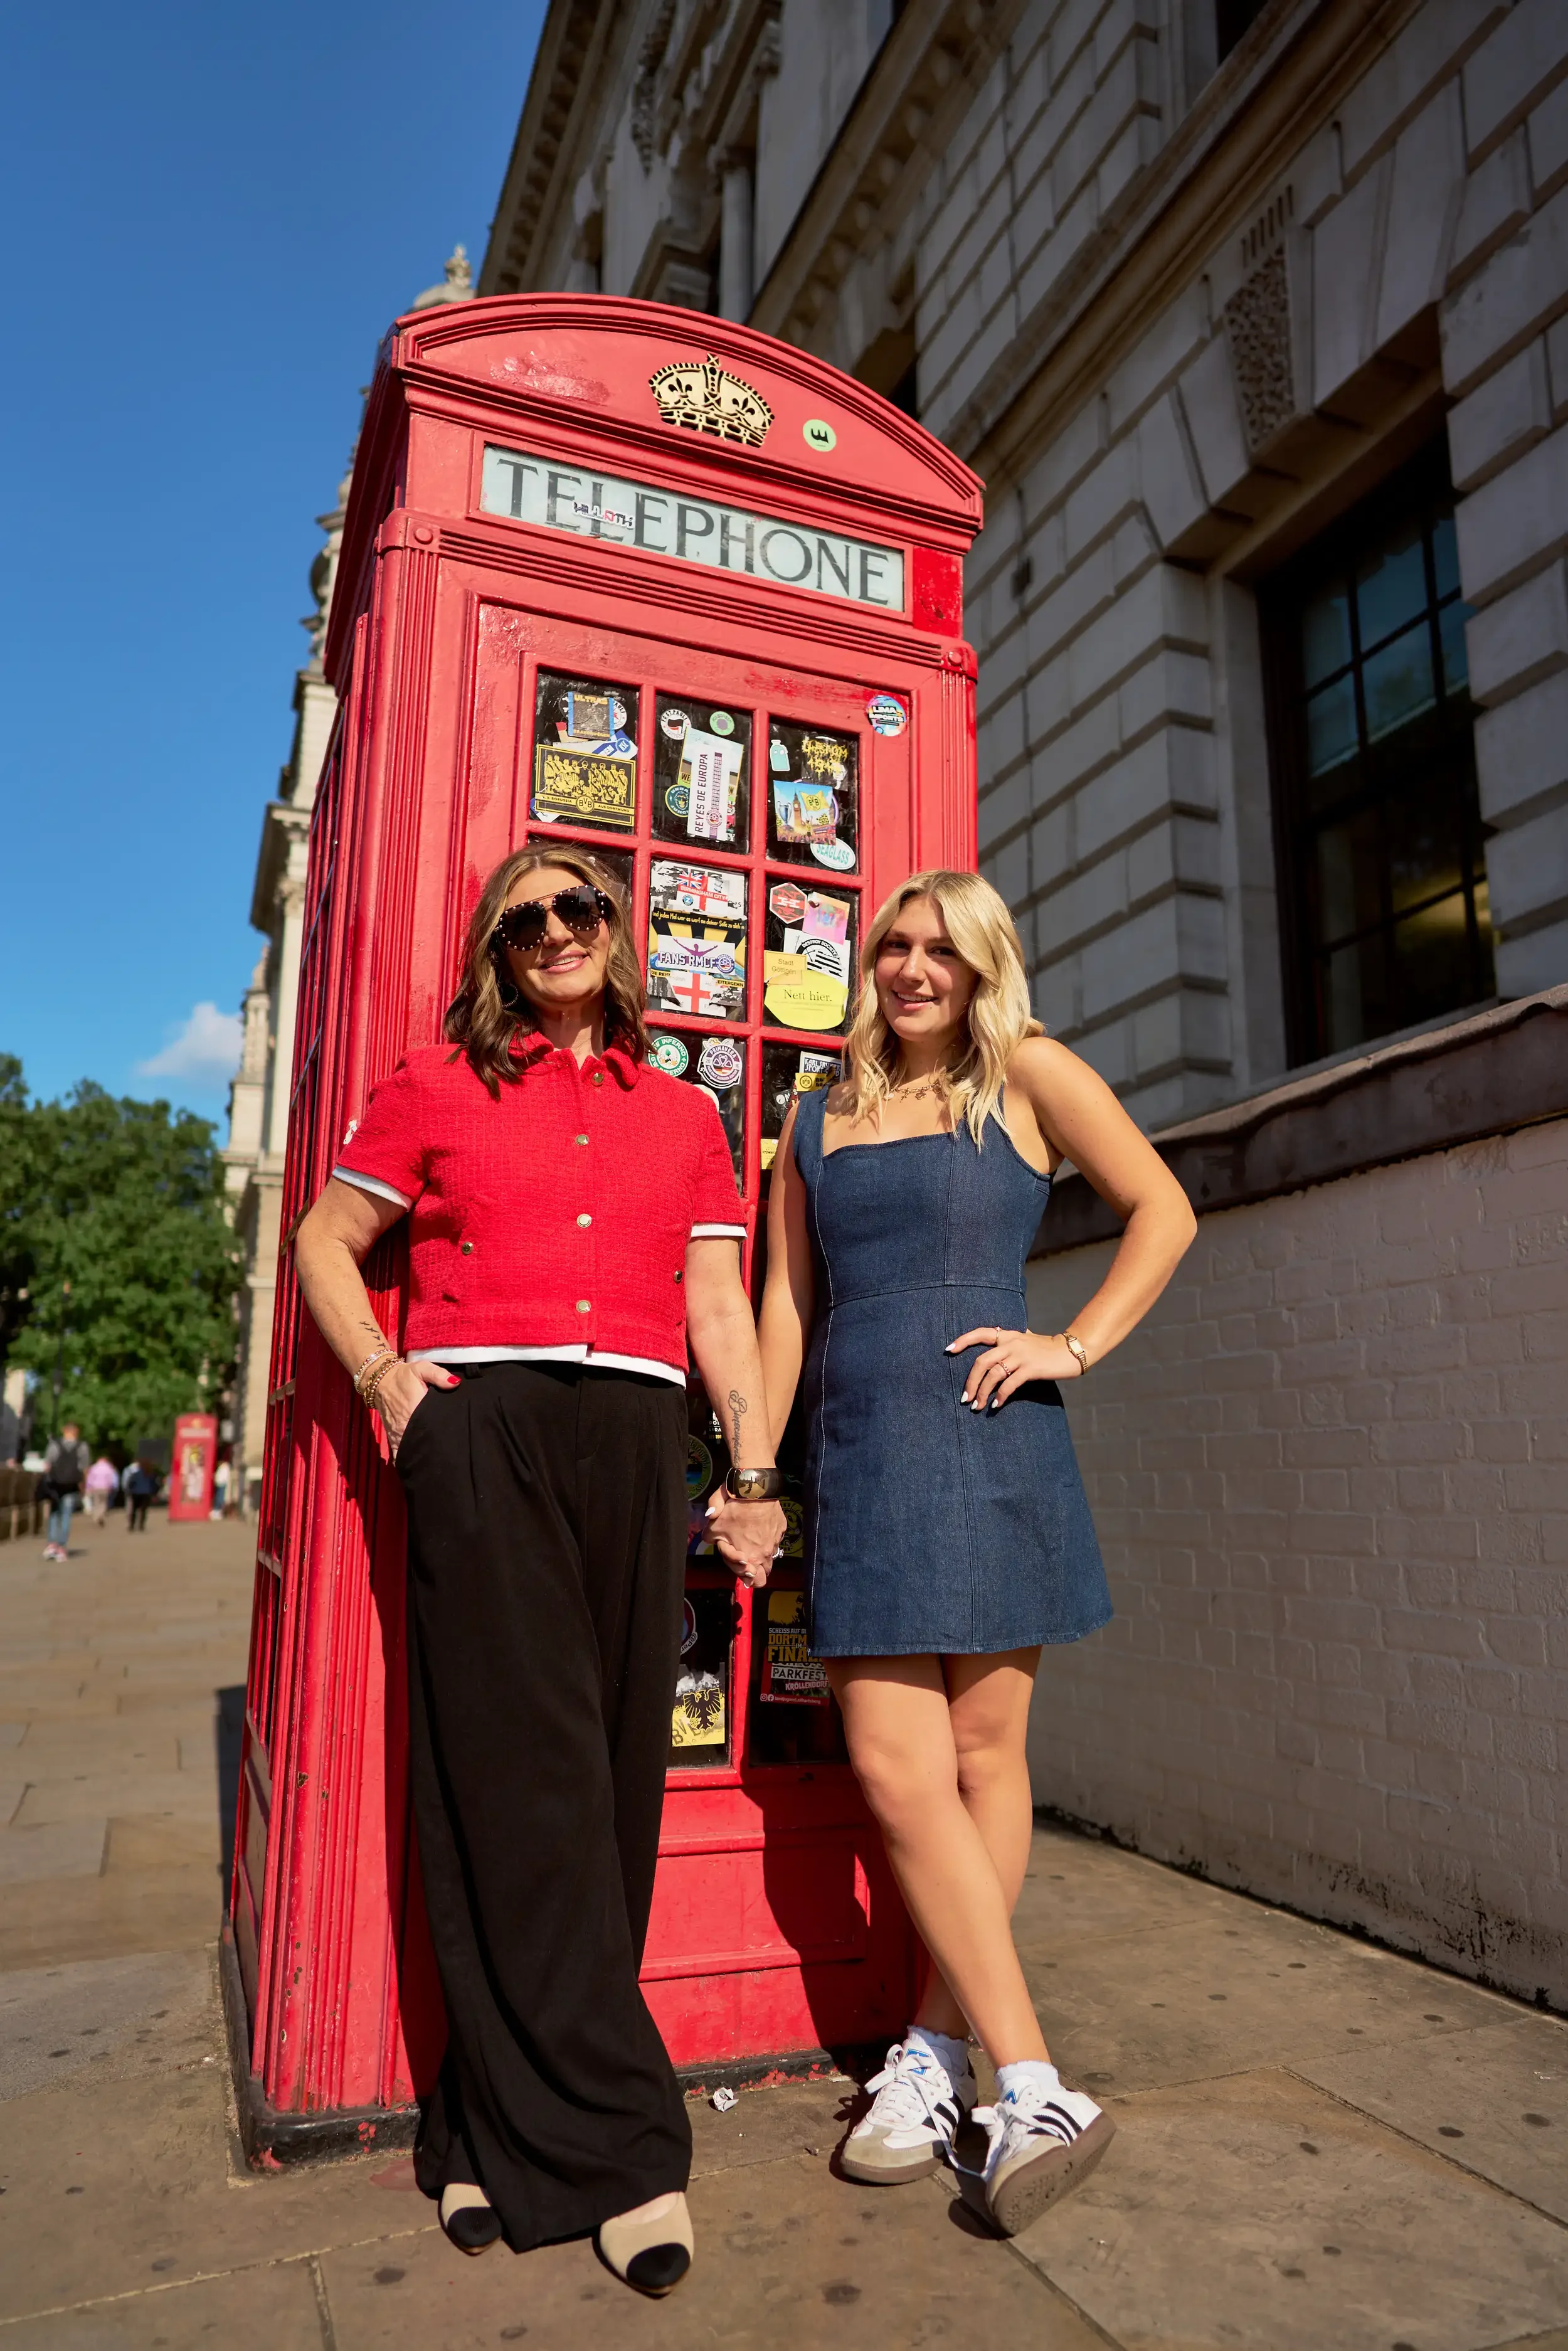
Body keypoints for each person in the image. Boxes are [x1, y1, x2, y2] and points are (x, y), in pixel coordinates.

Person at [292, 846, 784, 2294]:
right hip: (484, 1429)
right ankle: (626, 2148)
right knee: (520, 1781)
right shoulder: (433, 1087)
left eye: (577, 908)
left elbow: (717, 1302)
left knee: (614, 1783)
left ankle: (477, 2122)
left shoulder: (686, 1108)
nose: (555, 932)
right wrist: (385, 1377)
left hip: (636, 1438)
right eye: (525, 920)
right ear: (496, 952)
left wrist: (753, 1474)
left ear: (614, 933)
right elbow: (326, 1238)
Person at [758, 869, 1195, 2238]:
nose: (910, 965)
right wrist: (756, 1470)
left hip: (988, 1440)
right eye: (893, 943)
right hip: (857, 1453)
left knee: (982, 1759)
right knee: (895, 1770)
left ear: (981, 963)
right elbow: (785, 1297)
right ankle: (1025, 2076)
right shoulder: (809, 1114)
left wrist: (1067, 1342)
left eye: (940, 947)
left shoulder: (1029, 1075)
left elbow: (1162, 1208)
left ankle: (941, 2050)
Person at [41, 1423, 89, 1561]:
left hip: (55, 1485)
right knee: (66, 1515)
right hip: (72, 1485)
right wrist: (84, 1487)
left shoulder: (54, 1445)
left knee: (54, 1514)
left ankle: (52, 1545)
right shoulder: (82, 1447)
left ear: (64, 1431)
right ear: (77, 1432)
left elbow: (47, 1465)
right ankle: (62, 1548)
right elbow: (85, 1468)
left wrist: (46, 1483)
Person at [85, 1455, 119, 1527]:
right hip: (105, 1488)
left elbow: (90, 1479)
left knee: (96, 1503)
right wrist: (111, 1486)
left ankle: (96, 1517)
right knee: (104, 1503)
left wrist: (88, 1488)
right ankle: (101, 1515)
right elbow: (111, 1478)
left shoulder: (94, 1468)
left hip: (95, 1488)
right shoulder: (109, 1468)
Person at [124, 1459, 158, 1531]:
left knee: (133, 1510)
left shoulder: (136, 1474)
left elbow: (131, 1483)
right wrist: (154, 1494)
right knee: (143, 1510)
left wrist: (130, 1491)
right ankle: (141, 1525)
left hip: (136, 1493)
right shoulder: (150, 1475)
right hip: (146, 1493)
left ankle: (132, 1525)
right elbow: (154, 1485)